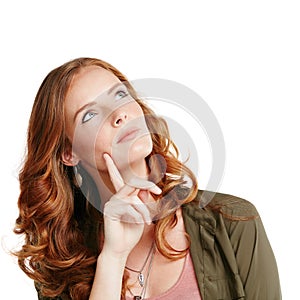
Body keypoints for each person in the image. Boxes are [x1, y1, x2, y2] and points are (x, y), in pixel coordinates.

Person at [14, 57, 281, 300]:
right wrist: (113, 258)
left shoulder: (234, 222)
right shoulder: (59, 261)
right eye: (91, 114)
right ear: (68, 153)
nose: (119, 115)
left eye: (120, 95)